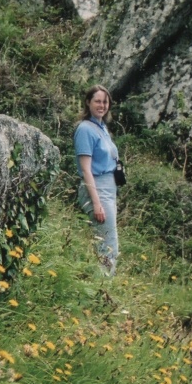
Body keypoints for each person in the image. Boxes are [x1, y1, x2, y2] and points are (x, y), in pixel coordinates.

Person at [74, 85, 120, 276]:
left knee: (105, 241)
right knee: (109, 245)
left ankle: (100, 284)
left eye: (105, 101)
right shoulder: (85, 129)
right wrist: (97, 203)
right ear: (88, 103)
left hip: (109, 188)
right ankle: (103, 289)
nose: (102, 105)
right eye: (98, 101)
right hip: (97, 188)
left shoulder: (102, 127)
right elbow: (86, 169)